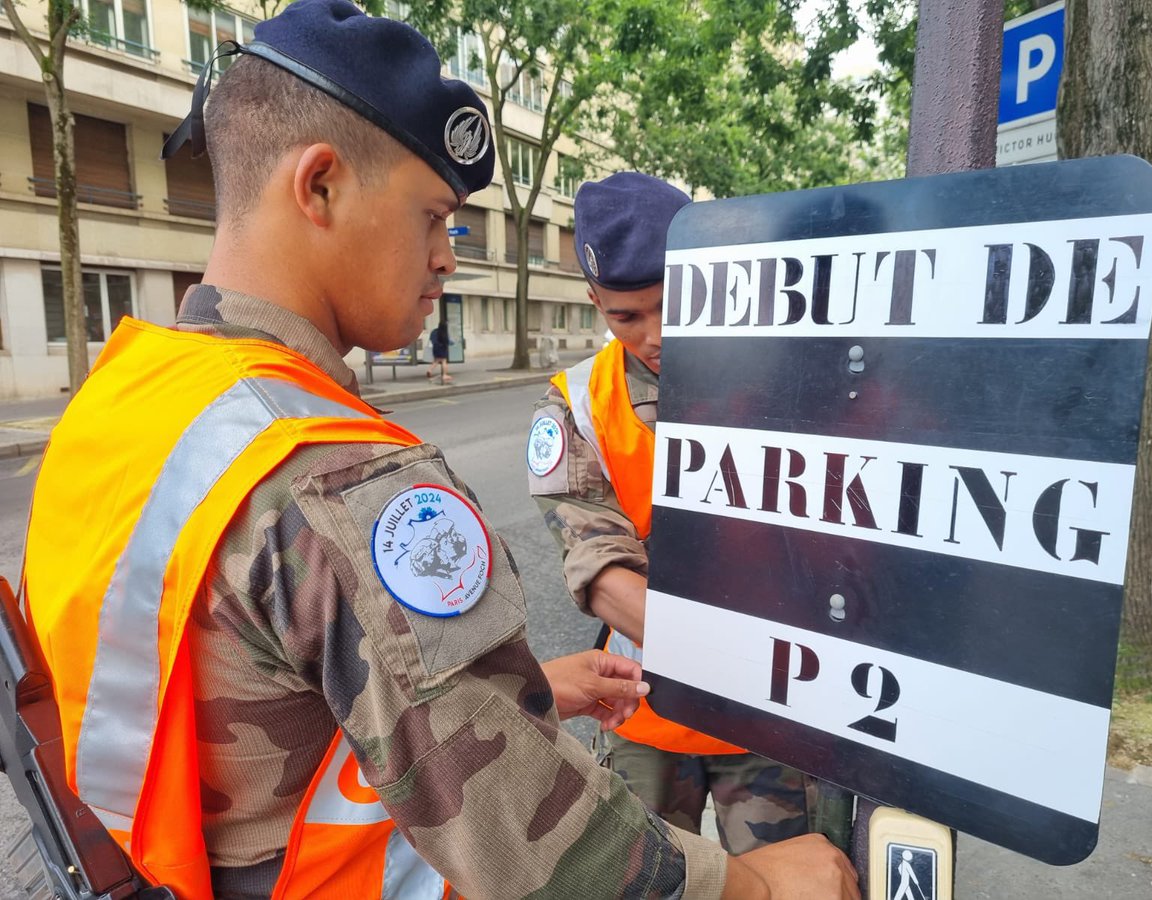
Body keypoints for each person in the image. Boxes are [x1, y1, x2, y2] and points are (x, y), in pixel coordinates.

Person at [21, 3, 858, 898]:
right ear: (321, 187)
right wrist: (758, 887)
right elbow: (534, 844)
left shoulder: (127, 400)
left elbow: (259, 680)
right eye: (433, 218)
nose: (446, 259)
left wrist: (520, 681)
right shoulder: (336, 477)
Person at [528, 172, 855, 859]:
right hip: (647, 714)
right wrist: (730, 658)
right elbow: (599, 565)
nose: (656, 335)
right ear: (595, 302)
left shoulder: (797, 374)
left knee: (790, 877)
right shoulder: (579, 404)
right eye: (627, 317)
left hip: (773, 725)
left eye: (672, 302)